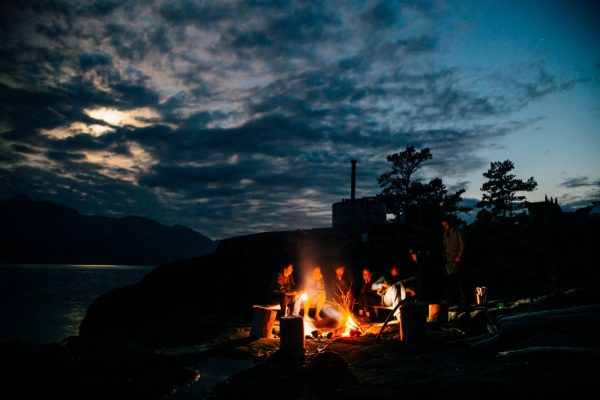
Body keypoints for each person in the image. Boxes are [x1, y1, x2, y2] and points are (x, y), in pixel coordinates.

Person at [441, 217, 468, 306]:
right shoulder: (445, 234)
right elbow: (444, 246)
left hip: (456, 259)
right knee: (450, 280)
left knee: (459, 280)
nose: (444, 226)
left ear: (449, 223)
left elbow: (463, 245)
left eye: (446, 224)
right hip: (448, 260)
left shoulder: (457, 232)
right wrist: (444, 257)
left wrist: (459, 256)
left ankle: (464, 299)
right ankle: (453, 299)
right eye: (443, 225)